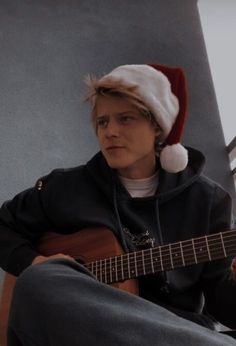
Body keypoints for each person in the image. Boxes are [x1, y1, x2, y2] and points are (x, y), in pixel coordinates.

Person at [0, 63, 236, 346]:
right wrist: (38, 264)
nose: (109, 131)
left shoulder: (209, 202)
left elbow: (224, 307)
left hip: (172, 330)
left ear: (158, 128)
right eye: (103, 122)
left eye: (125, 119)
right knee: (39, 280)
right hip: (83, 327)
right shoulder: (64, 187)